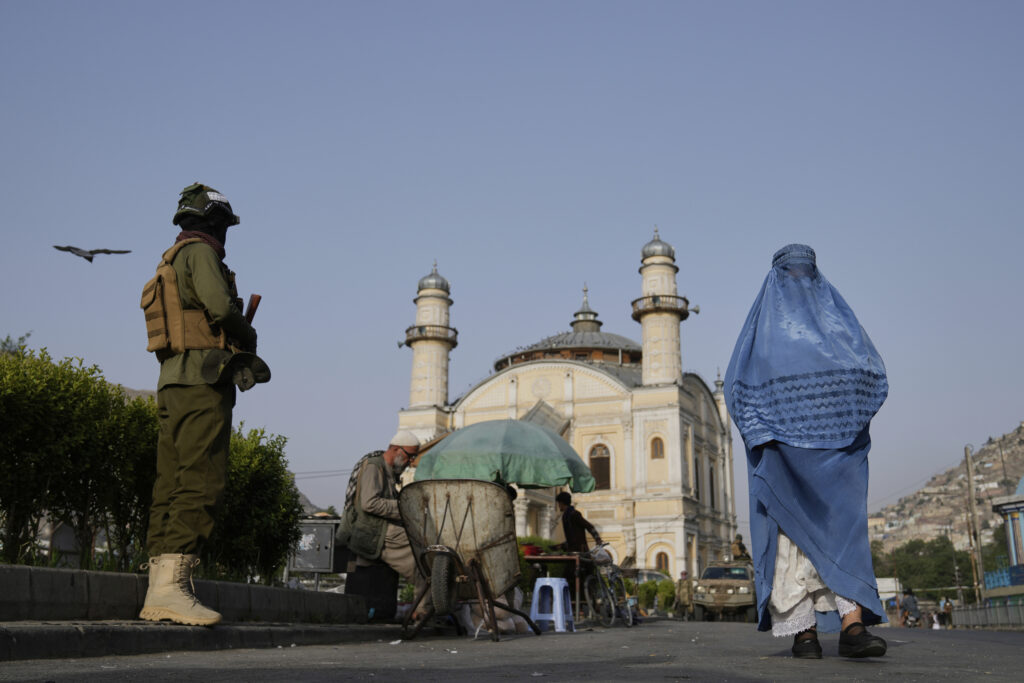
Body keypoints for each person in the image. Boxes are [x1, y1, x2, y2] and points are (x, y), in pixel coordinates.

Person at [724, 244, 889, 660]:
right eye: (790, 274)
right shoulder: (762, 334)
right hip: (784, 460)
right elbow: (738, 390)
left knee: (844, 535)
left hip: (837, 457)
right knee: (790, 543)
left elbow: (871, 375)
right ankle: (805, 633)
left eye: (805, 273)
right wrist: (769, 431)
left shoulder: (841, 330)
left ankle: (852, 626)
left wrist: (840, 415)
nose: (798, 282)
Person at [139, 183, 263, 626]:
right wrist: (247, 335)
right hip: (203, 380)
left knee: (170, 481)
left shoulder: (170, 259)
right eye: (224, 225)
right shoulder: (202, 253)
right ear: (215, 222)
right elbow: (221, 309)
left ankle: (158, 586)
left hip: (172, 380)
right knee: (201, 478)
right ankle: (171, 589)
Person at [340, 430, 430, 616]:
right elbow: (369, 503)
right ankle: (422, 613)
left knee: (429, 556)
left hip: (382, 530)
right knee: (423, 561)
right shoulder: (374, 467)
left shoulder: (388, 471)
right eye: (410, 456)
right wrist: (405, 507)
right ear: (396, 449)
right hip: (374, 533)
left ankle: (424, 610)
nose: (411, 461)